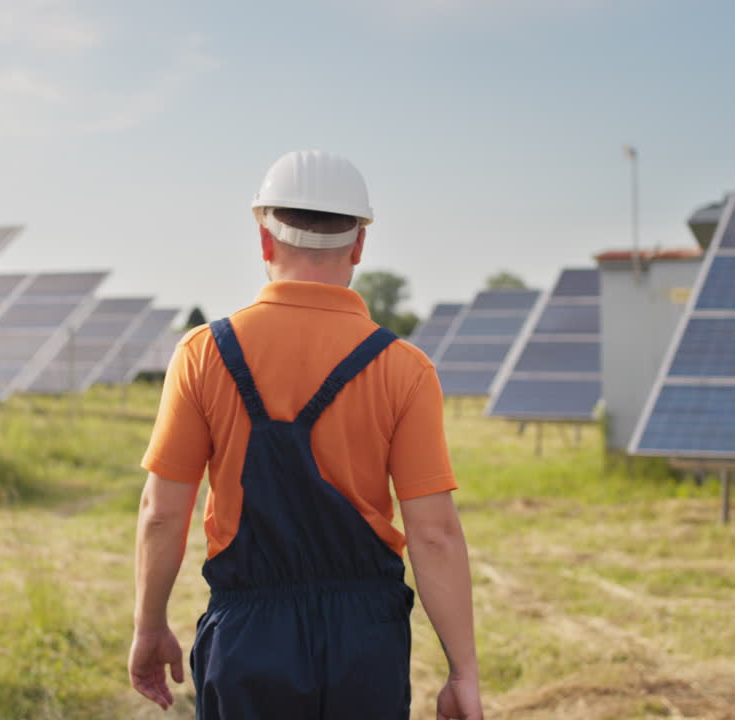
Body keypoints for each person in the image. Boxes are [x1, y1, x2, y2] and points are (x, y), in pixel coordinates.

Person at [129, 150, 482, 720]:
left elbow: (162, 514)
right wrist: (462, 672)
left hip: (247, 639)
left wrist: (150, 627)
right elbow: (435, 534)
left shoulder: (203, 355)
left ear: (264, 242)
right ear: (359, 246)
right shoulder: (404, 367)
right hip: (366, 640)